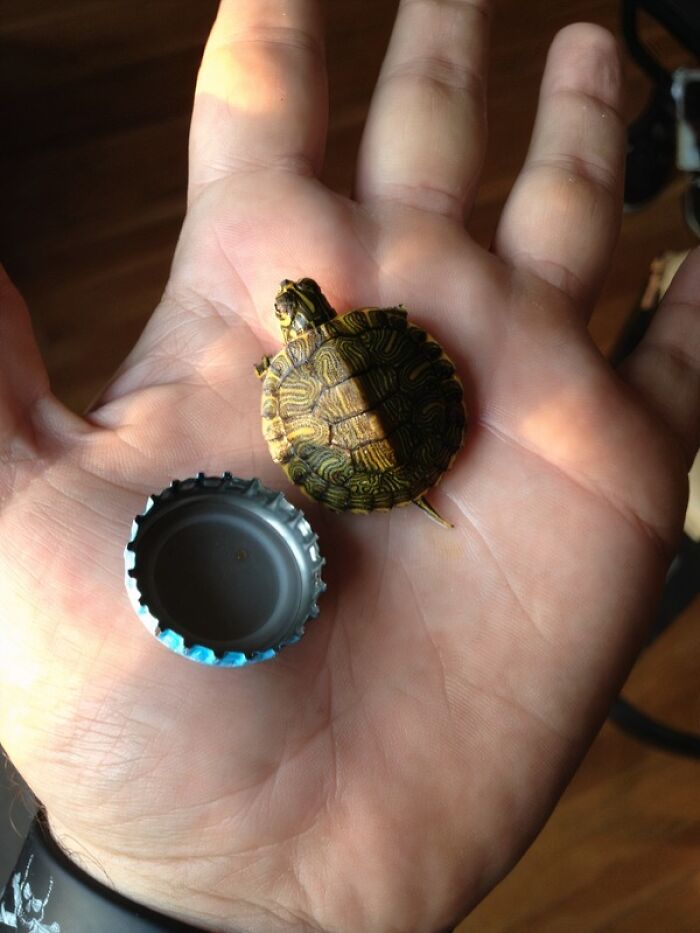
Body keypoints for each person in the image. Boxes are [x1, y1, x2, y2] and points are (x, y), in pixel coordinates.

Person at [0, 1, 698, 931]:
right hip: (384, 421)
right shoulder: (355, 340)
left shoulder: (285, 382)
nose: (297, 303)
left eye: (298, 303)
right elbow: (412, 351)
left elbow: (328, 385)